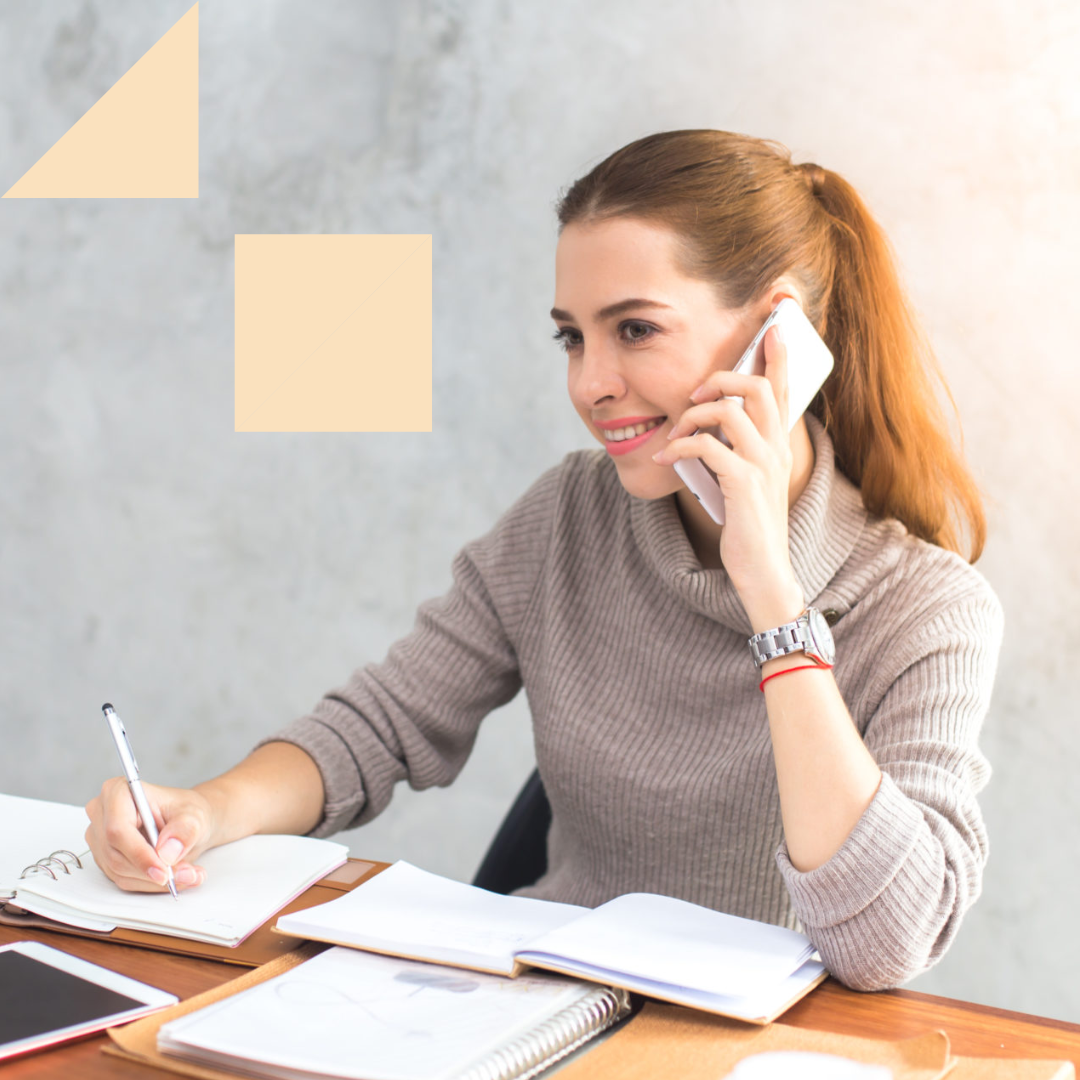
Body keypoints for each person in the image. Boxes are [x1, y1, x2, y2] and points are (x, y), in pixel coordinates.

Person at [85, 130, 1003, 992]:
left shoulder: (927, 607)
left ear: (776, 338)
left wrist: (771, 595)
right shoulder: (569, 517)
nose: (588, 382)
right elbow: (381, 724)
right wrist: (205, 810)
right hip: (547, 1006)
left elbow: (886, 944)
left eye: (635, 329)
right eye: (573, 335)